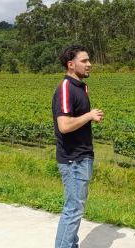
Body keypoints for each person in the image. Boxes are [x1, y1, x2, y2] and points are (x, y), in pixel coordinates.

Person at [53, 45, 104, 248]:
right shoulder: (66, 88)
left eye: (89, 60)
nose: (89, 64)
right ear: (71, 65)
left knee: (76, 208)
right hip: (73, 159)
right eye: (84, 61)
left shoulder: (80, 87)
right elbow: (64, 126)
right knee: (73, 210)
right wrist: (89, 116)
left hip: (82, 157)